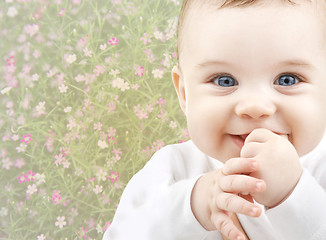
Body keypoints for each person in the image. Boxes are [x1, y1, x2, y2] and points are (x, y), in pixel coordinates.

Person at [103, 0, 326, 239]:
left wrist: (294, 194)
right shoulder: (173, 169)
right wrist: (193, 206)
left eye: (287, 80)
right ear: (185, 94)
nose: (254, 107)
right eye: (224, 81)